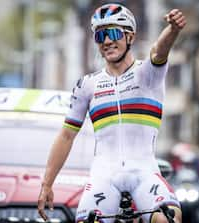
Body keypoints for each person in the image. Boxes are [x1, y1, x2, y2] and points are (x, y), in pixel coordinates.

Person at [38, 3, 186, 223]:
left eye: (114, 33)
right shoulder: (87, 85)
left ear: (130, 37)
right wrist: (47, 184)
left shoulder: (148, 74)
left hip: (144, 173)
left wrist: (173, 30)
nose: (107, 41)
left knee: (167, 218)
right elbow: (66, 135)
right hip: (103, 176)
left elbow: (159, 50)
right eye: (100, 36)